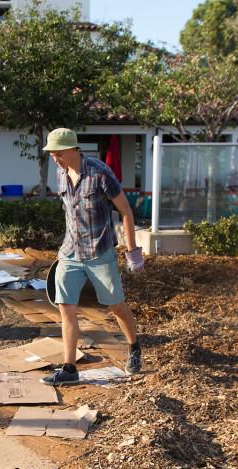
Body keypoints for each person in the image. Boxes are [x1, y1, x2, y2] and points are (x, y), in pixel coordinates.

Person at [40, 128, 144, 386]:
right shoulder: (61, 174)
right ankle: (69, 368)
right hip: (70, 252)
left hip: (99, 251)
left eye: (58, 153)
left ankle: (134, 347)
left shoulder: (100, 173)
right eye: (52, 153)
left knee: (115, 305)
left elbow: (126, 212)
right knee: (66, 307)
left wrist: (132, 251)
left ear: (73, 149)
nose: (55, 158)